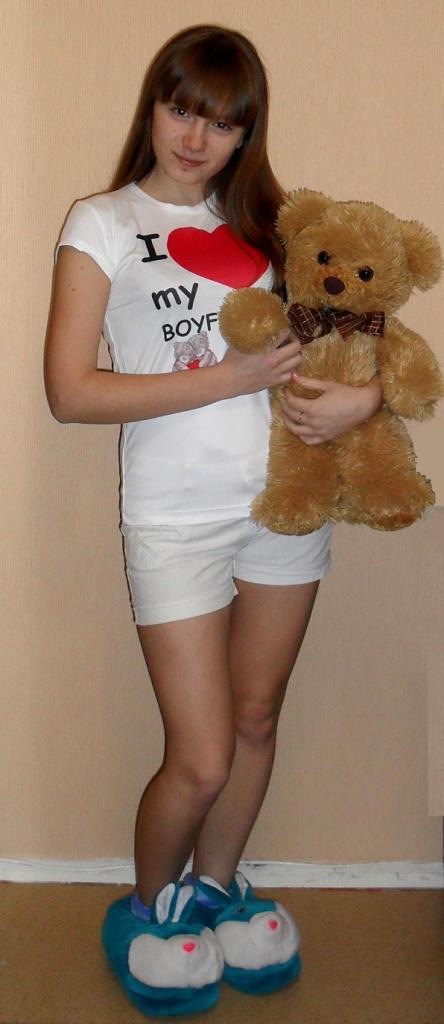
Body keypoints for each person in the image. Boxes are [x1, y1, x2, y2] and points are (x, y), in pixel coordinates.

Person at [44, 24, 382, 1017]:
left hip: (285, 500)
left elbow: (367, 336)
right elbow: (70, 391)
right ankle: (149, 909)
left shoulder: (279, 227)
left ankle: (216, 889)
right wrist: (227, 379)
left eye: (223, 123)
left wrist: (363, 403)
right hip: (174, 514)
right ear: (154, 107)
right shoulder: (101, 221)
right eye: (183, 110)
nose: (197, 138)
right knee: (199, 757)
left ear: (246, 134)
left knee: (256, 717)